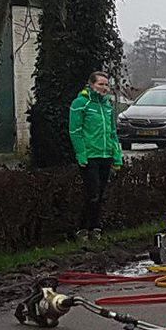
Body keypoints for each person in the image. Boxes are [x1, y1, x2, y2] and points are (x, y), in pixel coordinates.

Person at [69, 71, 124, 240]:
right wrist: (81, 154)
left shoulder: (107, 106)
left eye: (107, 84)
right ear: (91, 84)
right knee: (91, 193)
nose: (104, 88)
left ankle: (95, 228)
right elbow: (75, 131)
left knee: (100, 194)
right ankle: (82, 229)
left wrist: (117, 156)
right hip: (90, 156)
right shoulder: (81, 103)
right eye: (101, 84)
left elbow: (112, 132)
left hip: (105, 154)